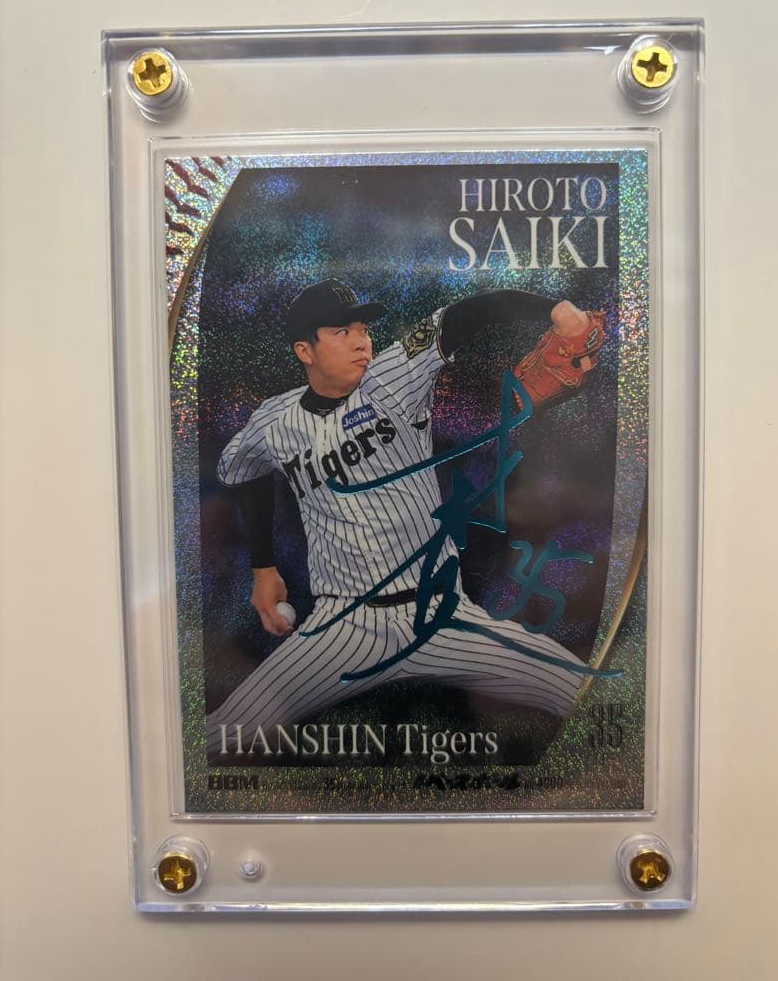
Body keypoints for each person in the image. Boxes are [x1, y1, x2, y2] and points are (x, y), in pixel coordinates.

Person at [206, 278, 605, 754]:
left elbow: (464, 315)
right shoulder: (274, 421)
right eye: (341, 331)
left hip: (442, 616)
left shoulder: (393, 377)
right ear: (304, 350)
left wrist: (555, 308)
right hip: (343, 627)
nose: (361, 340)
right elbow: (243, 470)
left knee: (587, 696)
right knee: (220, 736)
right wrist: (263, 568)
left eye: (362, 329)